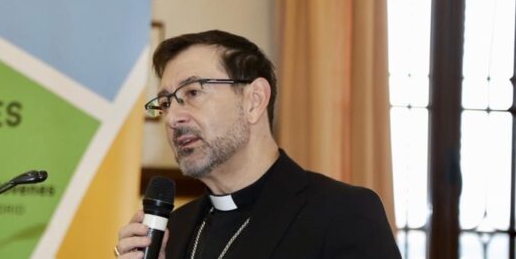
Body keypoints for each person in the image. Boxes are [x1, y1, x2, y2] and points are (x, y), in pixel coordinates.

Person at [115, 30, 400, 258]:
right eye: (165, 103)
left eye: (192, 92)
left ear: (254, 100)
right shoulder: (173, 231)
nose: (173, 117)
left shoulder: (343, 214)